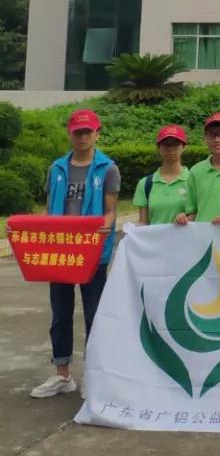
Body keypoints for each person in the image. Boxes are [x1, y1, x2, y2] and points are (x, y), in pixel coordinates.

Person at [30, 109, 120, 399]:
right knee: (60, 313)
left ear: (97, 133)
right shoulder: (57, 168)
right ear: (70, 134)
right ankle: (62, 374)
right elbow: (49, 209)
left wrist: (105, 225)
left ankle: (94, 376)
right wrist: (28, 229)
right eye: (77, 132)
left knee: (94, 314)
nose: (82, 137)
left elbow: (110, 211)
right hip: (61, 252)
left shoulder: (108, 169)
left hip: (92, 253)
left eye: (87, 132)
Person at [134, 125, 192, 225]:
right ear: (158, 147)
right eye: (165, 144)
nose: (170, 149)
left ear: (184, 147)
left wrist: (188, 218)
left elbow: (200, 214)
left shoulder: (193, 180)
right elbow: (143, 222)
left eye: (175, 144)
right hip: (155, 236)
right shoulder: (145, 184)